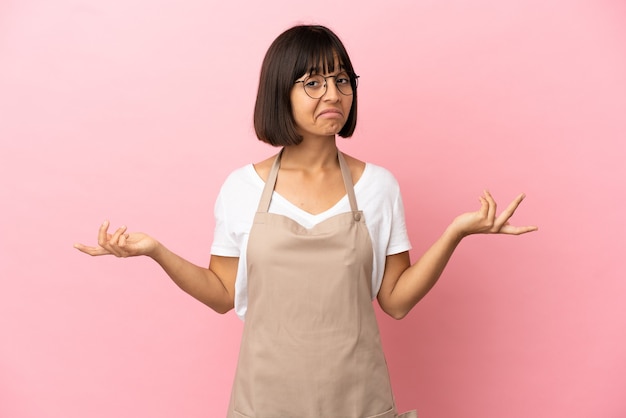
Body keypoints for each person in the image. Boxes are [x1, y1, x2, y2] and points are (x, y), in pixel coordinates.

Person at [74, 25, 537, 418]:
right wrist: (155, 250)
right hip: (265, 400)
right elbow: (221, 294)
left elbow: (395, 302)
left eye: (342, 79)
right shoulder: (242, 188)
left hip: (357, 399)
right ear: (282, 92)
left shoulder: (378, 186)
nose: (333, 94)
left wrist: (456, 233)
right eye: (313, 82)